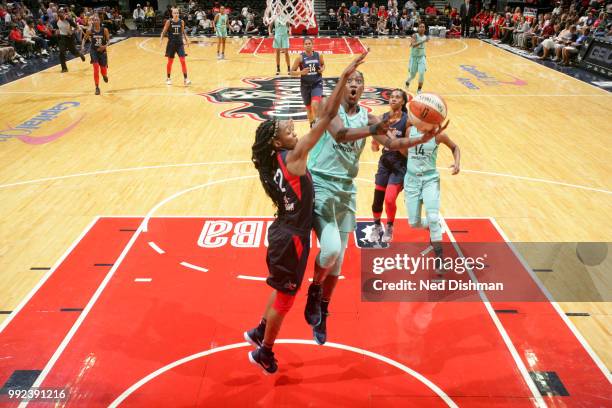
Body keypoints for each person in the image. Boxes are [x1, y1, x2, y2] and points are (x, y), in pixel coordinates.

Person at [244, 52, 369, 375]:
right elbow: (327, 118)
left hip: (284, 231)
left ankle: (260, 330)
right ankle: (265, 352)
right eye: (288, 129)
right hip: (293, 238)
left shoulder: (275, 162)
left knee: (280, 289)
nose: (295, 130)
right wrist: (343, 77)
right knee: (286, 299)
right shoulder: (296, 157)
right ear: (277, 142)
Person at [303, 69, 447, 346]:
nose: (354, 84)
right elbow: (341, 135)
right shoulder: (328, 110)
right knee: (331, 249)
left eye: (359, 81)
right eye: (350, 81)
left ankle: (324, 307)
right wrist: (373, 129)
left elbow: (392, 143)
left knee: (339, 262)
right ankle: (313, 289)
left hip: (346, 188)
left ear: (363, 89)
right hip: (320, 183)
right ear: (343, 86)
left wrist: (421, 139)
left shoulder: (368, 117)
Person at [404, 107, 460, 271]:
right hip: (412, 179)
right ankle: (432, 224)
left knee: (434, 217)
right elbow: (405, 152)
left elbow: (455, 147)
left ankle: (439, 259)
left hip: (430, 179)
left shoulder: (439, 134)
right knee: (414, 223)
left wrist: (457, 162)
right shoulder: (409, 131)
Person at [368, 89, 410, 243]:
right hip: (384, 163)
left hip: (400, 164)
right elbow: (374, 149)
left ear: (403, 102)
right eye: (391, 97)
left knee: (390, 199)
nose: (393, 99)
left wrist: (392, 140)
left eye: (397, 97)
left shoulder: (407, 121)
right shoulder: (382, 119)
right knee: (377, 199)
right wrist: (375, 140)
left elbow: (407, 152)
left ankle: (390, 226)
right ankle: (377, 226)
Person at [291, 37, 325, 126]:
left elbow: (323, 64)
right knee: (309, 108)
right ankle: (312, 125)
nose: (308, 45)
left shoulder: (318, 55)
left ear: (312, 44)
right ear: (303, 45)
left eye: (309, 43)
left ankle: (319, 125)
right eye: (306, 44)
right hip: (305, 86)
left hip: (317, 83)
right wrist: (301, 72)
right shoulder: (300, 58)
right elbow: (291, 72)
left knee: (315, 104)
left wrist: (322, 69)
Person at [160, 7, 191, 86]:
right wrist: (161, 40)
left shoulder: (182, 22)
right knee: (170, 62)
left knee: (183, 61)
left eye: (177, 13)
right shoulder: (169, 22)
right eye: (175, 13)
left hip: (180, 44)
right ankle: (168, 78)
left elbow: (183, 31)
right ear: (172, 14)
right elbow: (163, 32)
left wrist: (186, 39)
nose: (176, 14)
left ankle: (186, 79)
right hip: (171, 44)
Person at [82, 14, 109, 95]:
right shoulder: (90, 30)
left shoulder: (104, 30)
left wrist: (104, 46)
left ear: (99, 21)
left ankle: (104, 75)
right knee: (96, 68)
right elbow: (84, 39)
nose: (96, 21)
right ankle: (97, 87)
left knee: (103, 70)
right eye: (94, 20)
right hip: (94, 51)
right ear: (93, 22)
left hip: (102, 51)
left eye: (97, 20)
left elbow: (108, 40)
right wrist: (82, 46)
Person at [405, 22, 428, 93]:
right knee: (412, 75)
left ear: (425, 29)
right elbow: (413, 45)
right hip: (414, 58)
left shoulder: (425, 37)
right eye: (420, 27)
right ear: (418, 28)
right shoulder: (415, 35)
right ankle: (407, 82)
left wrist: (425, 58)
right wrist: (423, 41)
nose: (422, 28)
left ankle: (419, 89)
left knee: (421, 73)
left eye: (423, 27)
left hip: (421, 57)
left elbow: (423, 47)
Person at [270, 10, 291, 75]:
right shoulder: (274, 17)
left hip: (285, 36)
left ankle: (289, 68)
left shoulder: (286, 16)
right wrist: (270, 32)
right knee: (278, 53)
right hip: (277, 36)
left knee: (286, 53)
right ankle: (278, 68)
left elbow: (289, 26)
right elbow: (270, 26)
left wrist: (289, 31)